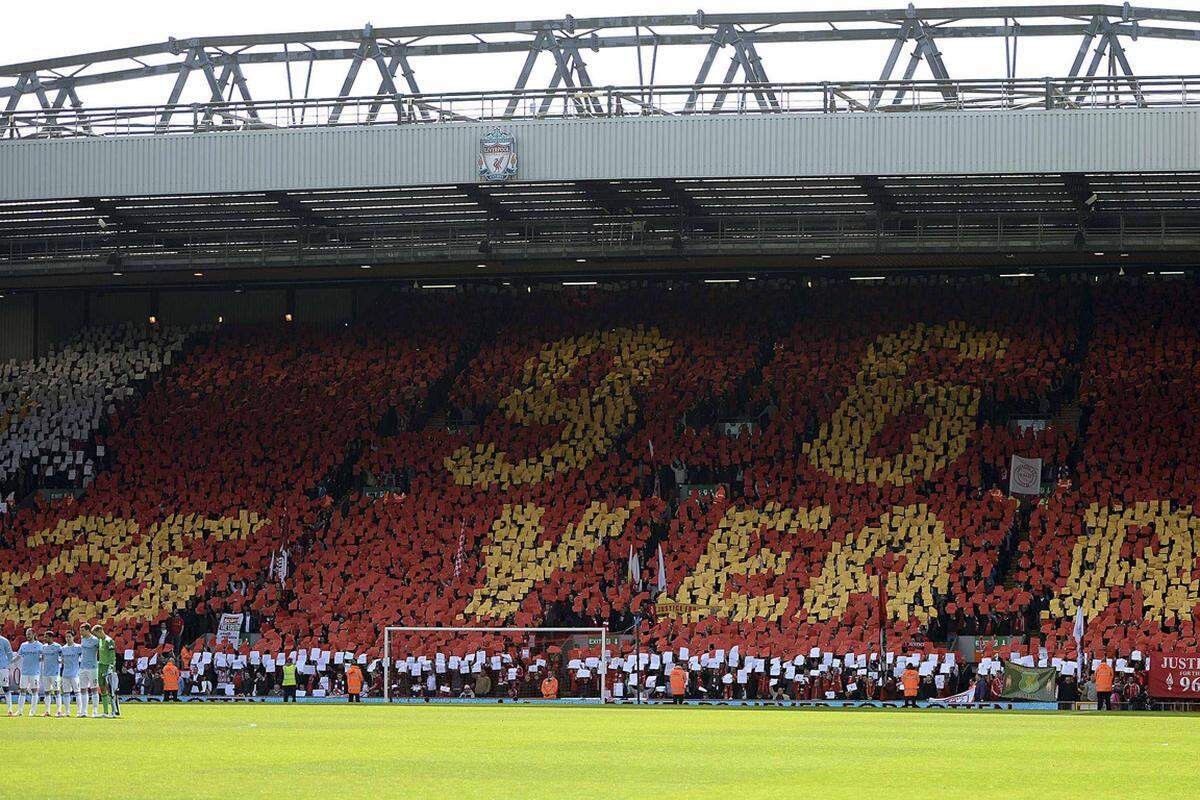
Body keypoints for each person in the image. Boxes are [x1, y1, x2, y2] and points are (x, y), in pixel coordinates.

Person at [94, 624, 119, 718]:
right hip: (100, 665)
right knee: (102, 688)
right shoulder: (100, 640)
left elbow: (113, 655)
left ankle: (113, 711)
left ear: (100, 631)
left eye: (96, 634)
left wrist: (111, 667)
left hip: (108, 667)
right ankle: (105, 712)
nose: (96, 636)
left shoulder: (109, 641)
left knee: (111, 690)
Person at [38, 631, 64, 717]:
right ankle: (47, 711)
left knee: (57, 691)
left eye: (46, 637)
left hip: (55, 673)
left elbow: (62, 655)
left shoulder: (57, 646)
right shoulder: (43, 647)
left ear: (51, 637)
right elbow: (42, 658)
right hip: (46, 673)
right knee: (47, 692)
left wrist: (60, 661)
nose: (44, 639)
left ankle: (59, 711)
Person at [17, 628, 41, 716]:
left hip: (34, 672)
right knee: (22, 691)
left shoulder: (39, 645)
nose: (27, 635)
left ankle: (32, 711)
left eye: (29, 634)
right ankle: (20, 711)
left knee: (34, 691)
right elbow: (18, 656)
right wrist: (10, 662)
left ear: (34, 634)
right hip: (24, 672)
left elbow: (43, 656)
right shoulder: (23, 645)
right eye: (27, 634)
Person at [78, 624, 101, 718]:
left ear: (88, 630)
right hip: (83, 667)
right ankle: (84, 711)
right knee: (83, 689)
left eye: (82, 630)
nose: (81, 632)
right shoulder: (82, 639)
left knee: (94, 689)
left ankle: (95, 711)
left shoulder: (95, 640)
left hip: (93, 668)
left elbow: (101, 650)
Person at [60, 631, 83, 717]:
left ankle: (79, 711)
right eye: (66, 637)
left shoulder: (78, 647)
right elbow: (61, 660)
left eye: (69, 637)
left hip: (75, 674)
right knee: (66, 693)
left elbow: (83, 657)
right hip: (65, 674)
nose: (68, 638)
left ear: (73, 637)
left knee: (77, 692)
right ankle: (67, 712)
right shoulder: (63, 649)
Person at [0, 629, 13, 716]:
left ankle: (10, 710)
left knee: (6, 688)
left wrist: (6, 664)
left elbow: (10, 655)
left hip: (3, 668)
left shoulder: (4, 641)